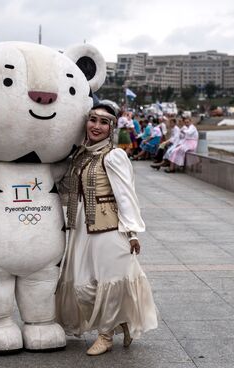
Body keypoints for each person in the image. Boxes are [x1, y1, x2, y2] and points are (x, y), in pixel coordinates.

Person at [56, 100, 158, 356]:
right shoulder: (80, 153)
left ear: (112, 128)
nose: (96, 126)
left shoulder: (114, 156)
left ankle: (106, 334)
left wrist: (132, 232)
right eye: (93, 120)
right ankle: (118, 321)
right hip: (80, 227)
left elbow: (126, 195)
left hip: (109, 228)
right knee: (82, 287)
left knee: (109, 283)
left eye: (104, 122)